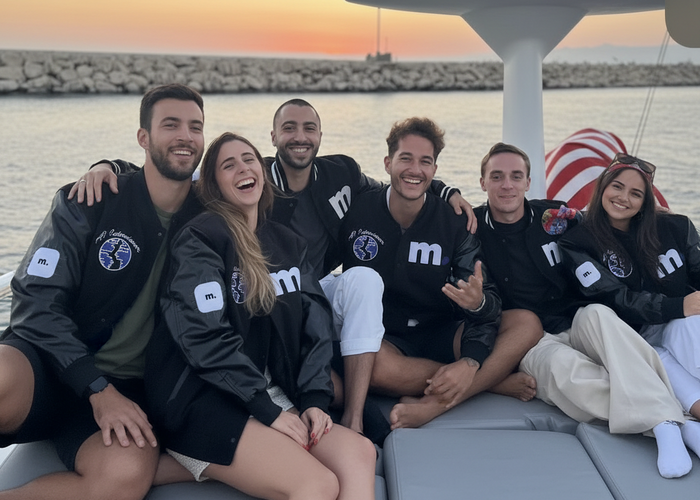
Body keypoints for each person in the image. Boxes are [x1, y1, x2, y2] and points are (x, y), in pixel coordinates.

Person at [73, 98, 473, 441]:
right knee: (330, 382)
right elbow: (178, 174)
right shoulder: (251, 175)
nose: (300, 136)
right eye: (289, 128)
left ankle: (354, 415)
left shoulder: (342, 173)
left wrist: (445, 190)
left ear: (320, 135)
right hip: (270, 299)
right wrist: (108, 165)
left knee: (364, 280)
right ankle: (423, 388)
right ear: (274, 137)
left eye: (309, 128)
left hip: (314, 289)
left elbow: (403, 181)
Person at [0, 83, 205, 499]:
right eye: (171, 124)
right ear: (143, 137)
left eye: (195, 127)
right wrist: (96, 387)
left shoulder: (210, 220)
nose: (185, 136)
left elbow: (257, 175)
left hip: (132, 390)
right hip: (49, 365)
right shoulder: (90, 200)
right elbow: (35, 302)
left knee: (124, 475)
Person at [145, 132, 376, 499]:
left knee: (360, 453)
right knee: (318, 484)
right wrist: (267, 411)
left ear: (263, 173)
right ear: (214, 185)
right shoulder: (200, 239)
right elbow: (203, 336)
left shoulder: (286, 242)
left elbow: (315, 326)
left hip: (269, 394)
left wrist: (314, 400)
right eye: (228, 165)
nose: (243, 168)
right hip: (204, 400)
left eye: (249, 159)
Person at [475, 143, 692, 479]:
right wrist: (447, 193)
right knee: (566, 371)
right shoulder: (469, 226)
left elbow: (597, 219)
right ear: (482, 182)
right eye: (497, 176)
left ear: (528, 182)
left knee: (600, 314)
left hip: (574, 318)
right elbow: (423, 202)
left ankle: (665, 418)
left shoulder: (552, 216)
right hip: (530, 338)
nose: (507, 185)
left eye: (516, 176)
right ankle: (668, 423)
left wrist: (650, 216)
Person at [338, 117, 501, 429]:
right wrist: (473, 366)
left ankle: (466, 375)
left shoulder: (453, 220)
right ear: (388, 163)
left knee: (525, 324)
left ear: (435, 170)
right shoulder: (358, 208)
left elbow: (489, 302)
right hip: (384, 336)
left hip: (441, 330)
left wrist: (478, 303)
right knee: (370, 368)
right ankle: (489, 381)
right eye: (406, 159)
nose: (415, 169)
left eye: (425, 161)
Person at [558, 152, 700, 475]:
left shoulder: (676, 227)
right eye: (617, 187)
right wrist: (680, 305)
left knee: (693, 330)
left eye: (636, 193)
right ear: (602, 186)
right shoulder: (578, 242)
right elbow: (616, 298)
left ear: (646, 201)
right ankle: (681, 425)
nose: (624, 198)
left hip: (676, 322)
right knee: (658, 359)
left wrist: (684, 308)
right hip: (629, 335)